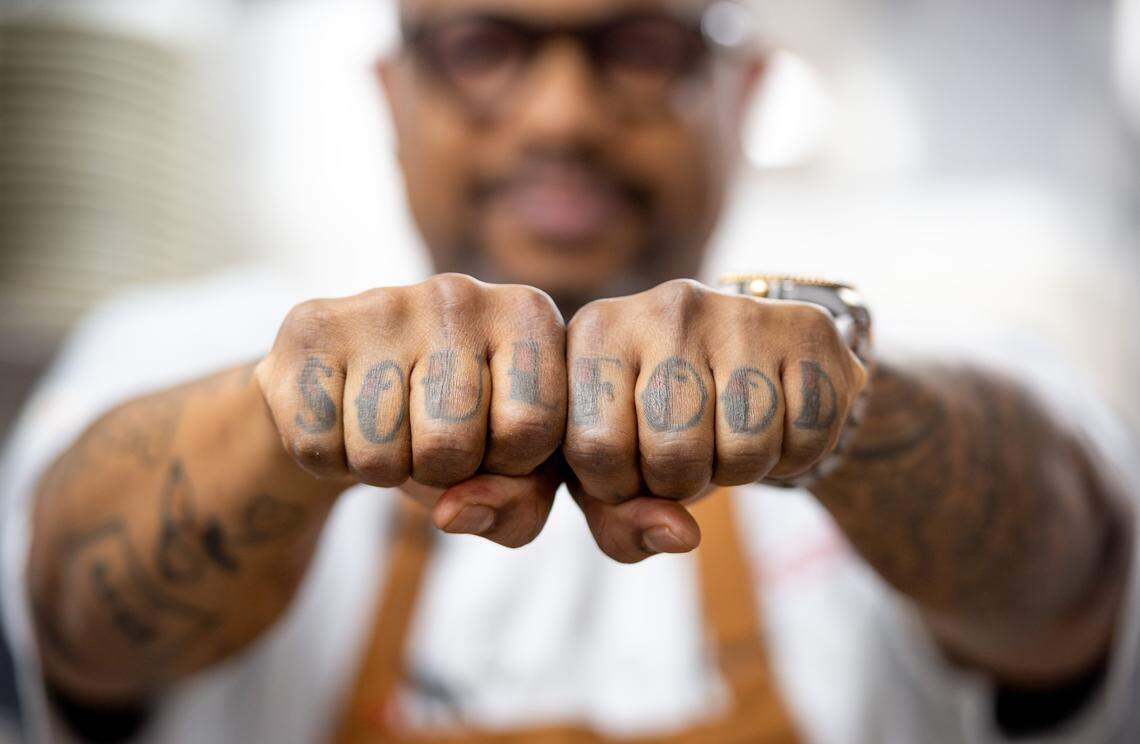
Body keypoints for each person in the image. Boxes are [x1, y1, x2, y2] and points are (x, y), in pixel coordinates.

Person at [3, 0, 1139, 741]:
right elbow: (69, 622)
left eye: (639, 47)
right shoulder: (188, 348)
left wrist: (842, 406)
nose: (562, 116)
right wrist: (288, 416)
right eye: (484, 47)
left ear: (738, 98)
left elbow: (1075, 576)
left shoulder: (932, 346)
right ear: (395, 101)